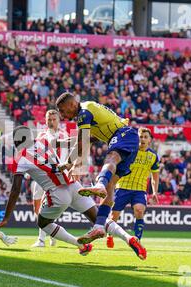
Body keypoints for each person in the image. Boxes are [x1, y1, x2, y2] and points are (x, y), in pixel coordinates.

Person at [0, 126, 146, 259]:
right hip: (74, 185)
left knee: (43, 223)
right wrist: (92, 137)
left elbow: (15, 190)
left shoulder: (20, 158)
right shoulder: (43, 141)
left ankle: (80, 245)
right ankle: (128, 238)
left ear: (16, 142)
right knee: (98, 219)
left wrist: (7, 217)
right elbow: (69, 141)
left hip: (57, 193)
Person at [55, 92, 140, 245]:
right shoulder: (87, 113)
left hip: (124, 134)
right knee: (110, 185)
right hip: (127, 139)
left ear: (72, 104)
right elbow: (86, 139)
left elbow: (82, 141)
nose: (61, 114)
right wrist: (68, 163)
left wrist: (76, 163)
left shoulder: (83, 112)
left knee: (111, 157)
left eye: (62, 110)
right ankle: (99, 226)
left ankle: (99, 185)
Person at [106, 128, 160, 248]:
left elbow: (155, 176)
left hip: (139, 190)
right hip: (122, 187)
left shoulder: (153, 156)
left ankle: (137, 240)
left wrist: (155, 192)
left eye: (146, 137)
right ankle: (110, 235)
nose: (143, 139)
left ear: (150, 140)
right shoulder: (129, 151)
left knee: (139, 210)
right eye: (141, 136)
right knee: (114, 216)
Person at [31, 110, 69, 248]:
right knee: (36, 207)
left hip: (55, 176)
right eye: (49, 119)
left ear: (58, 120)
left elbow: (66, 157)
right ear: (45, 120)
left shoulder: (64, 136)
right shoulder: (41, 135)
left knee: (44, 206)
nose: (51, 121)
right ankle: (52, 233)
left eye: (54, 119)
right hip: (41, 174)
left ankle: (41, 240)